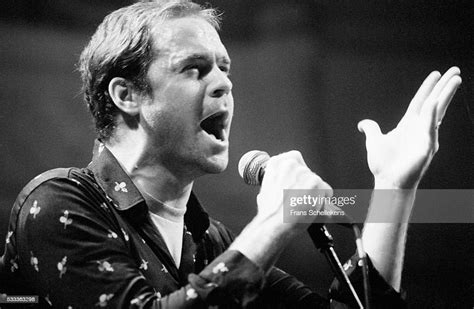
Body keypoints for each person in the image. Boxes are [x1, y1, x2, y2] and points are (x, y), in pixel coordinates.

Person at [0, 1, 461, 308]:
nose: (224, 83)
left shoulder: (210, 243)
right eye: (195, 69)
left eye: (224, 68)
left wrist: (393, 189)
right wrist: (274, 222)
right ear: (127, 94)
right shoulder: (58, 203)